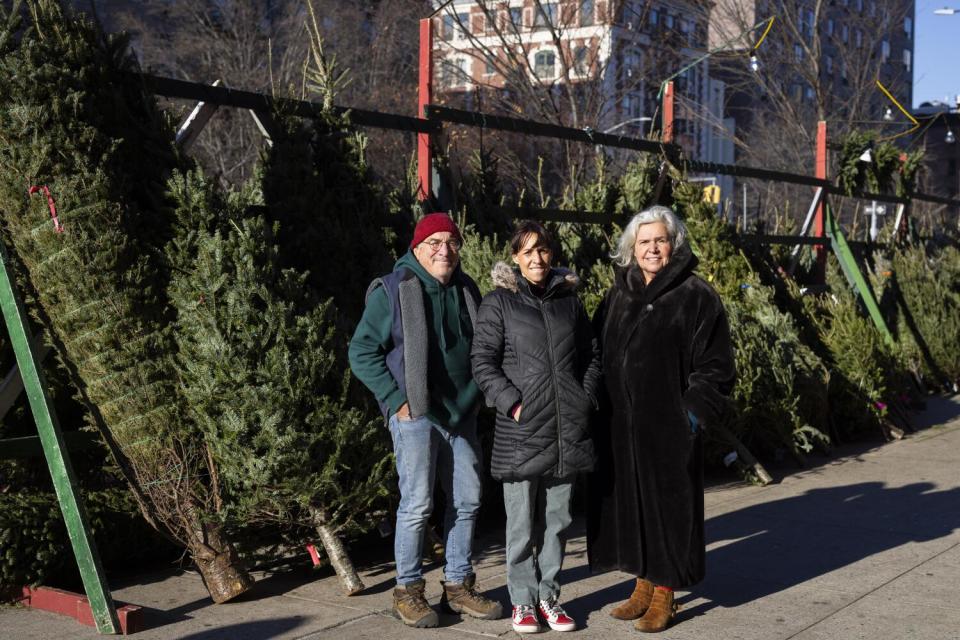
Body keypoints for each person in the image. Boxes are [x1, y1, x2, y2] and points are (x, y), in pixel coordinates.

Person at [348, 213, 502, 628]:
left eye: (451, 242)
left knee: (468, 500)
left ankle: (456, 586)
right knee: (417, 505)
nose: (444, 250)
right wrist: (395, 399)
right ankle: (408, 590)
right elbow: (361, 351)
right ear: (417, 248)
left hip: (462, 413)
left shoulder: (468, 288)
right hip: (416, 413)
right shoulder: (394, 289)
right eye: (434, 242)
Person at [587, 206, 735, 633]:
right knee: (631, 506)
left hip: (668, 425)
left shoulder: (696, 295)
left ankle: (666, 591)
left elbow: (717, 366)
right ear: (632, 248)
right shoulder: (619, 293)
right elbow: (597, 350)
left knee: (670, 510)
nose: (653, 248)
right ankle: (642, 585)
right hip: (620, 425)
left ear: (674, 244)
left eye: (660, 240)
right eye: (644, 241)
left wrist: (690, 414)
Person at [471, 221, 600, 634]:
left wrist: (585, 398)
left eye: (542, 250)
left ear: (552, 253)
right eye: (527, 252)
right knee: (522, 525)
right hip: (522, 431)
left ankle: (549, 596)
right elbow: (482, 362)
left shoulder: (570, 302)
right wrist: (513, 405)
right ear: (515, 258)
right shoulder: (498, 303)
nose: (537, 259)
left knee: (559, 522)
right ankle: (522, 602)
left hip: (567, 430)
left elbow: (591, 355)